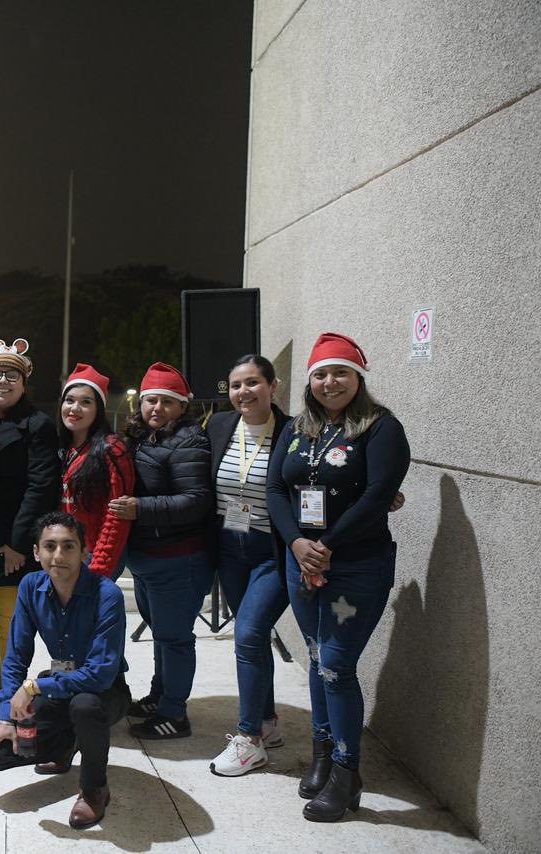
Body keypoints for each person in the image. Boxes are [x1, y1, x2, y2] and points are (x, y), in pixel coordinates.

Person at [267, 332, 409, 821]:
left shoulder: (381, 428)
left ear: (358, 378)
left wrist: (326, 546)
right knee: (315, 657)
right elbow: (275, 490)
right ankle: (323, 753)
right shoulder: (296, 428)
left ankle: (347, 772)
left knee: (336, 665)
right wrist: (296, 543)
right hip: (301, 561)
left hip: (356, 565)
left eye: (340, 373)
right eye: (321, 374)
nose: (330, 382)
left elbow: (378, 495)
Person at [0, 511, 131, 830]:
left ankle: (94, 789)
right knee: (0, 754)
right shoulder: (30, 586)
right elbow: (15, 657)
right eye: (50, 546)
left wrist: (34, 687)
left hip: (106, 692)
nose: (58, 555)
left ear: (84, 552)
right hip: (61, 684)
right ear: (36, 552)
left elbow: (100, 674)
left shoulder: (107, 594)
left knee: (84, 706)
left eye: (68, 546)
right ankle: (66, 745)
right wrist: (5, 717)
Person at [109, 362, 213, 740]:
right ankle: (159, 696)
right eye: (150, 400)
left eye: (167, 402)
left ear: (183, 406)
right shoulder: (143, 438)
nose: (157, 408)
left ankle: (175, 714)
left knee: (175, 638)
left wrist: (140, 508)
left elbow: (195, 500)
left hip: (177, 557)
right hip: (149, 558)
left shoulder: (189, 441)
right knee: (162, 634)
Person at [205, 355, 292, 775]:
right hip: (229, 549)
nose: (243, 392)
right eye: (236, 385)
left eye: (253, 382)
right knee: (254, 637)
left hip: (270, 552)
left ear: (273, 386)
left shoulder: (293, 431)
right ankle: (267, 721)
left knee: (249, 633)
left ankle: (248, 738)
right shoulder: (219, 425)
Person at [0, 338, 61, 718]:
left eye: (11, 375)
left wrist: (19, 543)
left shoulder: (37, 425)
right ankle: (0, 688)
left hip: (14, 539)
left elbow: (41, 487)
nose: (3, 382)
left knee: (9, 621)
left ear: (24, 382)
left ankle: (9, 696)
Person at [58, 364, 136, 577]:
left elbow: (117, 515)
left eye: (86, 402)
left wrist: (100, 566)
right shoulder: (62, 448)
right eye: (69, 400)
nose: (74, 408)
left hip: (94, 557)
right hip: (65, 553)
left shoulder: (112, 449)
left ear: (98, 409)